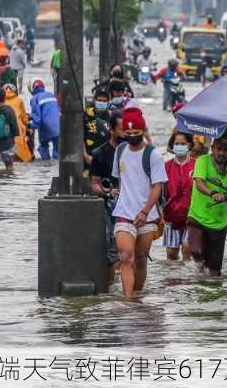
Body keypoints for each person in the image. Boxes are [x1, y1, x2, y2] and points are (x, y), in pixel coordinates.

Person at [112, 108, 167, 298]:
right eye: (128, 134)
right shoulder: (119, 151)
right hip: (124, 213)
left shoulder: (153, 155)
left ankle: (136, 296)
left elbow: (157, 187)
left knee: (141, 259)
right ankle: (127, 300)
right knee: (126, 256)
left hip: (147, 216)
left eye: (136, 133)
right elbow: (120, 180)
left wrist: (144, 212)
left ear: (143, 131)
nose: (132, 136)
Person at [187, 134, 227, 276]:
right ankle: (198, 276)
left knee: (215, 272)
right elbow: (199, 183)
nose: (221, 153)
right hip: (197, 218)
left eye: (225, 150)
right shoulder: (202, 160)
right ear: (212, 148)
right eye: (218, 149)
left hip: (219, 225)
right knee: (195, 251)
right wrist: (212, 193)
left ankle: (215, 295)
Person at [90, 111, 125, 283]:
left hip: (132, 210)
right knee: (111, 254)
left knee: (132, 254)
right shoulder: (100, 154)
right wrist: (108, 192)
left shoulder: (135, 152)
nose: (126, 132)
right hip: (110, 210)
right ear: (111, 129)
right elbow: (94, 184)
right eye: (121, 128)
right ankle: (112, 291)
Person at [163, 131, 195, 261]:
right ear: (172, 145)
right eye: (177, 143)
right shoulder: (166, 166)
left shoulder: (197, 165)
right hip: (171, 217)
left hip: (192, 217)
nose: (180, 146)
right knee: (171, 255)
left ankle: (188, 280)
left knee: (187, 249)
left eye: (183, 143)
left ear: (189, 145)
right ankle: (175, 280)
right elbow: (160, 192)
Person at [29, 79, 60, 161]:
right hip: (58, 126)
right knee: (58, 152)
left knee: (44, 147)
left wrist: (31, 127)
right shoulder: (51, 95)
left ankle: (46, 167)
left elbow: (37, 119)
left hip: (45, 127)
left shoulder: (34, 99)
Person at [83, 86, 111, 172]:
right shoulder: (86, 115)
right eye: (99, 100)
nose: (101, 103)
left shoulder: (111, 117)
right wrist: (85, 156)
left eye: (104, 101)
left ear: (108, 102)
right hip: (88, 158)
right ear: (95, 100)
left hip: (106, 159)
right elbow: (79, 137)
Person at [3, 83, 32, 163]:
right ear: (15, 92)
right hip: (18, 131)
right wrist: (28, 127)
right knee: (23, 158)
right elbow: (24, 118)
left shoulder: (1, 102)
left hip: (3, 134)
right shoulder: (19, 100)